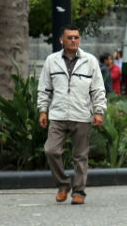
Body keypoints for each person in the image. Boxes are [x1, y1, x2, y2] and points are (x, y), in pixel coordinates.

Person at [37, 25, 107, 205]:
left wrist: (99, 111)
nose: (73, 40)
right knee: (50, 150)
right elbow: (44, 89)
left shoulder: (90, 61)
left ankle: (79, 192)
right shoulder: (52, 61)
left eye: (76, 37)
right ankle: (63, 185)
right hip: (57, 115)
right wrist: (43, 110)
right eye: (69, 38)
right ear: (62, 40)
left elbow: (98, 89)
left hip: (81, 115)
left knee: (81, 156)